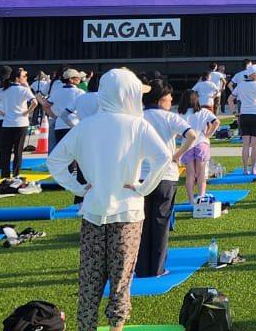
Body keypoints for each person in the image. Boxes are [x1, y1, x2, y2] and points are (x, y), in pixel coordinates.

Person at [46, 68, 173, 331]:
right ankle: (116, 327)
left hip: (93, 210)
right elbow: (163, 158)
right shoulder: (137, 125)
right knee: (121, 280)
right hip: (127, 212)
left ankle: (87, 326)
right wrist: (142, 188)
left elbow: (55, 161)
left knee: (89, 282)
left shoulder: (87, 125)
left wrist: (80, 188)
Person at [136, 80, 197, 279]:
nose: (172, 100)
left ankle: (142, 267)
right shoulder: (169, 117)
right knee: (161, 223)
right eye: (170, 97)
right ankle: (157, 269)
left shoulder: (137, 118)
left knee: (142, 223)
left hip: (141, 176)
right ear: (162, 99)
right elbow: (192, 135)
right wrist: (177, 155)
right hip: (165, 175)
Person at [0, 67, 37, 178]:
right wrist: (27, 112)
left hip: (7, 123)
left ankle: (5, 174)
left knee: (5, 151)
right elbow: (34, 102)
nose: (26, 78)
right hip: (21, 123)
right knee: (18, 150)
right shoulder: (24, 90)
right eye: (24, 76)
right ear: (17, 78)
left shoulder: (4, 90)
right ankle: (16, 174)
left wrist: (2, 113)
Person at [178, 89, 218, 203]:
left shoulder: (181, 114)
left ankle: (191, 199)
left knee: (190, 174)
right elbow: (216, 122)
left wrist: (181, 137)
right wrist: (208, 135)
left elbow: (176, 130)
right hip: (202, 142)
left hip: (187, 144)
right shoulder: (204, 112)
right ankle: (201, 197)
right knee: (201, 173)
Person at [232, 65, 256, 175]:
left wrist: (234, 112)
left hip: (244, 115)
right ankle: (253, 168)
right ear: (253, 74)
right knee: (254, 144)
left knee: (245, 144)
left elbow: (231, 98)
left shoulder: (241, 85)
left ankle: (245, 169)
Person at [45, 68, 84, 146]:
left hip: (59, 126)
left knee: (62, 154)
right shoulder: (80, 92)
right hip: (74, 125)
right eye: (77, 77)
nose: (80, 79)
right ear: (70, 79)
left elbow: (46, 105)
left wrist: (55, 117)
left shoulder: (57, 92)